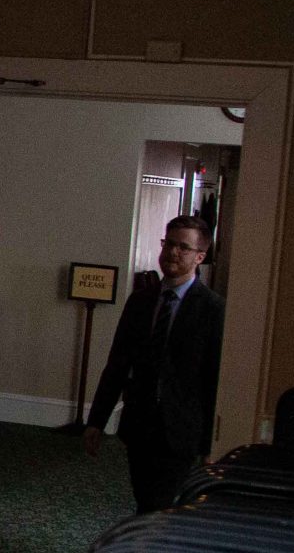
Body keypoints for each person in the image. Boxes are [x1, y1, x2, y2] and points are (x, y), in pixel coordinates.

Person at [83, 215, 224, 512]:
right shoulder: (141, 301)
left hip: (181, 428)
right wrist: (97, 419)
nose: (173, 252)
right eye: (169, 244)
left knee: (159, 504)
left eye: (183, 248)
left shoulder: (212, 308)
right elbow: (118, 363)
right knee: (145, 497)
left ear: (200, 256)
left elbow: (214, 379)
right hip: (140, 423)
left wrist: (210, 443)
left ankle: (145, 552)